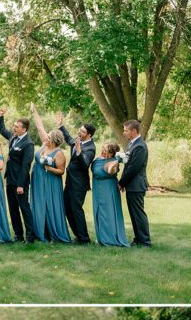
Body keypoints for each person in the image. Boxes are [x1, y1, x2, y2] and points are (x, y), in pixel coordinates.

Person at [29, 103, 71, 243]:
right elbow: (40, 127)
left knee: (50, 206)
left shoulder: (59, 153)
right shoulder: (43, 145)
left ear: (53, 140)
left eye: (48, 138)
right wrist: (35, 112)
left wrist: (49, 168)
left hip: (51, 182)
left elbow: (61, 171)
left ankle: (54, 233)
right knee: (39, 205)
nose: (45, 139)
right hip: (38, 180)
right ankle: (39, 232)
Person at [0, 108, 35, 243]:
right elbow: (2, 130)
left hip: (20, 182)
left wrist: (20, 185)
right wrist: (0, 116)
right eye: (14, 126)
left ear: (24, 129)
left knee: (24, 208)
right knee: (13, 208)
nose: (14, 128)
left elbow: (26, 166)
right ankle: (18, 235)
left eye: (16, 127)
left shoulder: (28, 144)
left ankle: (30, 236)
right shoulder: (13, 137)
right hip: (10, 179)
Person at [57, 113, 96, 243]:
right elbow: (68, 139)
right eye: (80, 129)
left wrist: (79, 152)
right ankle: (78, 236)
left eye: (82, 131)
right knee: (67, 208)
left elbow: (85, 164)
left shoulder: (90, 148)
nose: (79, 132)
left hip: (79, 184)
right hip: (70, 182)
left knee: (76, 209)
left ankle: (84, 238)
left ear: (89, 135)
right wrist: (61, 125)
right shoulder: (77, 141)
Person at [119, 119, 151, 246]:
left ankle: (144, 241)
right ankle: (138, 239)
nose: (124, 132)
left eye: (126, 130)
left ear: (134, 131)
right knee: (134, 213)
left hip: (136, 185)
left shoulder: (140, 146)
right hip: (132, 185)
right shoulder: (132, 144)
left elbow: (133, 168)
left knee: (138, 213)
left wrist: (121, 182)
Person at [91, 141, 129, 247]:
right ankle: (101, 237)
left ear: (112, 153)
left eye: (105, 149)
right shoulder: (98, 159)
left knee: (108, 213)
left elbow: (110, 170)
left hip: (108, 190)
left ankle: (110, 239)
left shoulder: (113, 162)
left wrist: (117, 161)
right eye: (103, 148)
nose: (103, 151)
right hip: (97, 189)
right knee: (99, 212)